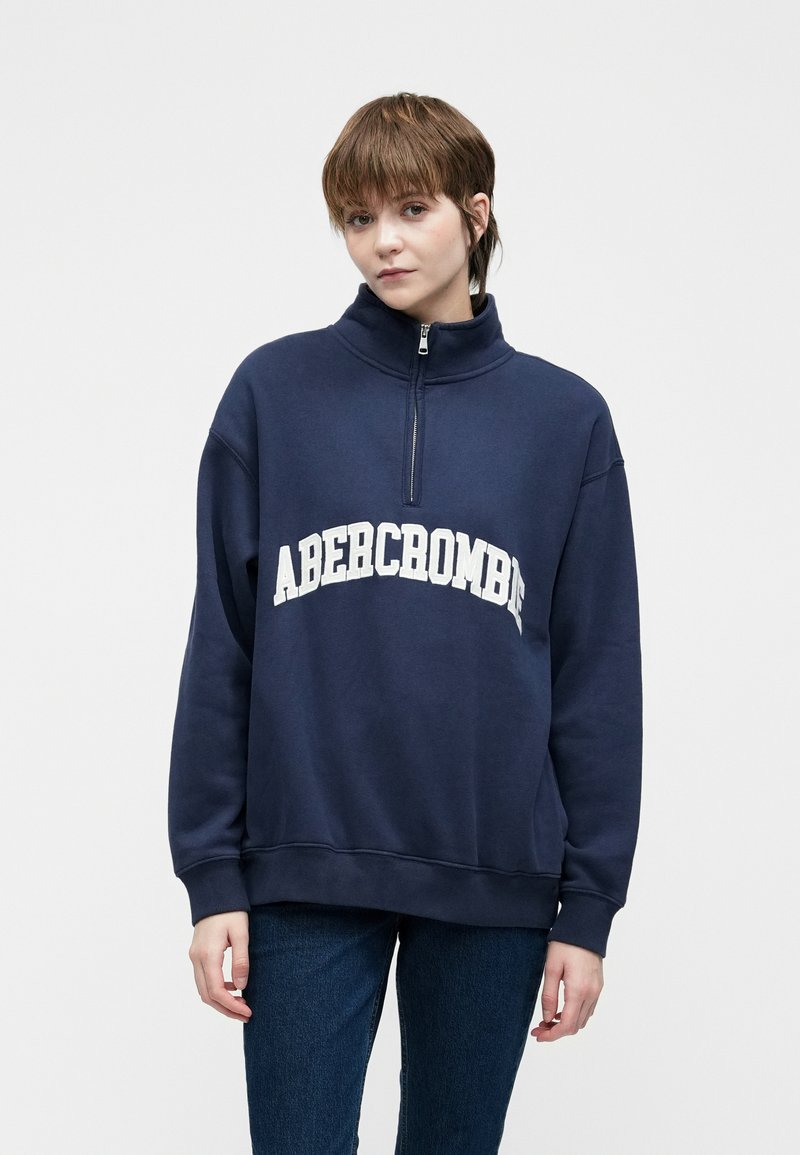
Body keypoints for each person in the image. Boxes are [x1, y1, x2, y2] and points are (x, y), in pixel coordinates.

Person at [167, 92, 643, 1153]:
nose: (381, 240)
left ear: (475, 213)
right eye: (357, 217)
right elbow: (222, 647)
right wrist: (211, 879)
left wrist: (587, 909)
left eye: (411, 209)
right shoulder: (273, 394)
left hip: (493, 877)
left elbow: (598, 677)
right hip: (303, 869)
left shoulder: (564, 421)